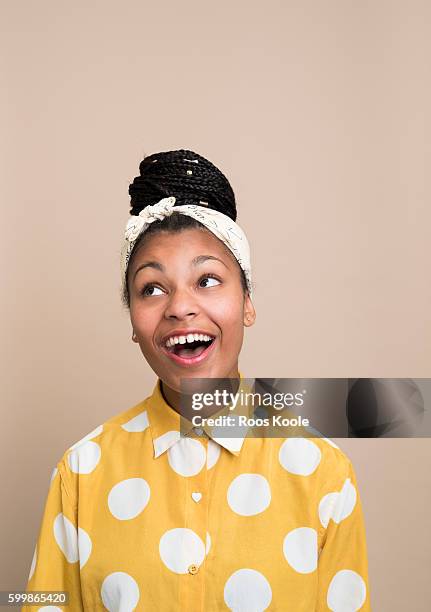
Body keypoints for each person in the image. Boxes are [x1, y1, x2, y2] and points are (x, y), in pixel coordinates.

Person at [24, 149, 371, 611]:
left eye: (207, 280)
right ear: (133, 322)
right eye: (152, 288)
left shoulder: (324, 473)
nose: (180, 306)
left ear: (247, 303)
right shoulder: (80, 473)